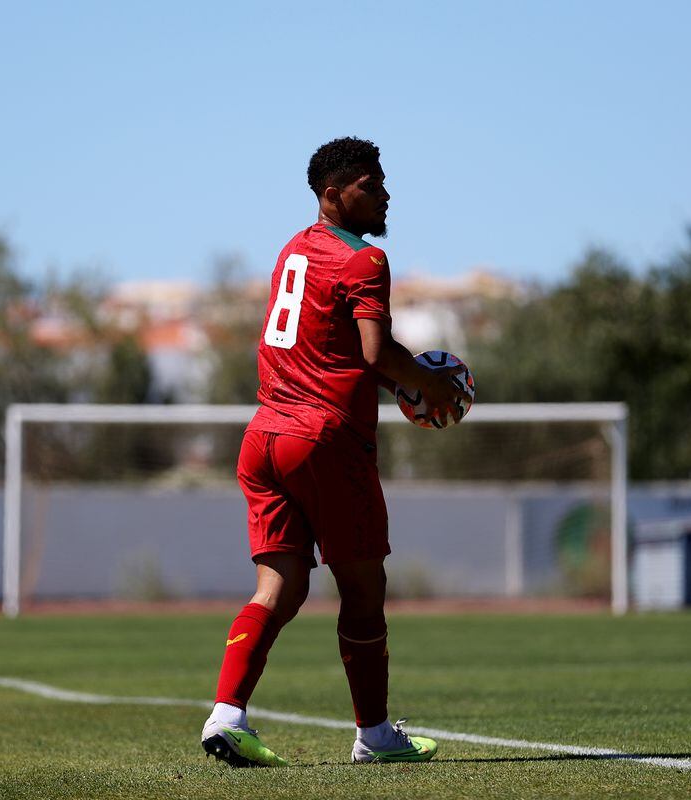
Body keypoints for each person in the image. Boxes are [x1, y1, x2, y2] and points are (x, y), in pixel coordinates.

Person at [199, 137, 467, 767]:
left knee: (280, 587)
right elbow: (376, 355)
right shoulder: (366, 262)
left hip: (264, 436)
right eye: (370, 185)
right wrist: (427, 385)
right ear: (332, 193)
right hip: (324, 441)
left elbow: (335, 347)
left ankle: (226, 716)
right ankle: (373, 735)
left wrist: (406, 381)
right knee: (363, 588)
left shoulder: (293, 248)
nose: (384, 194)